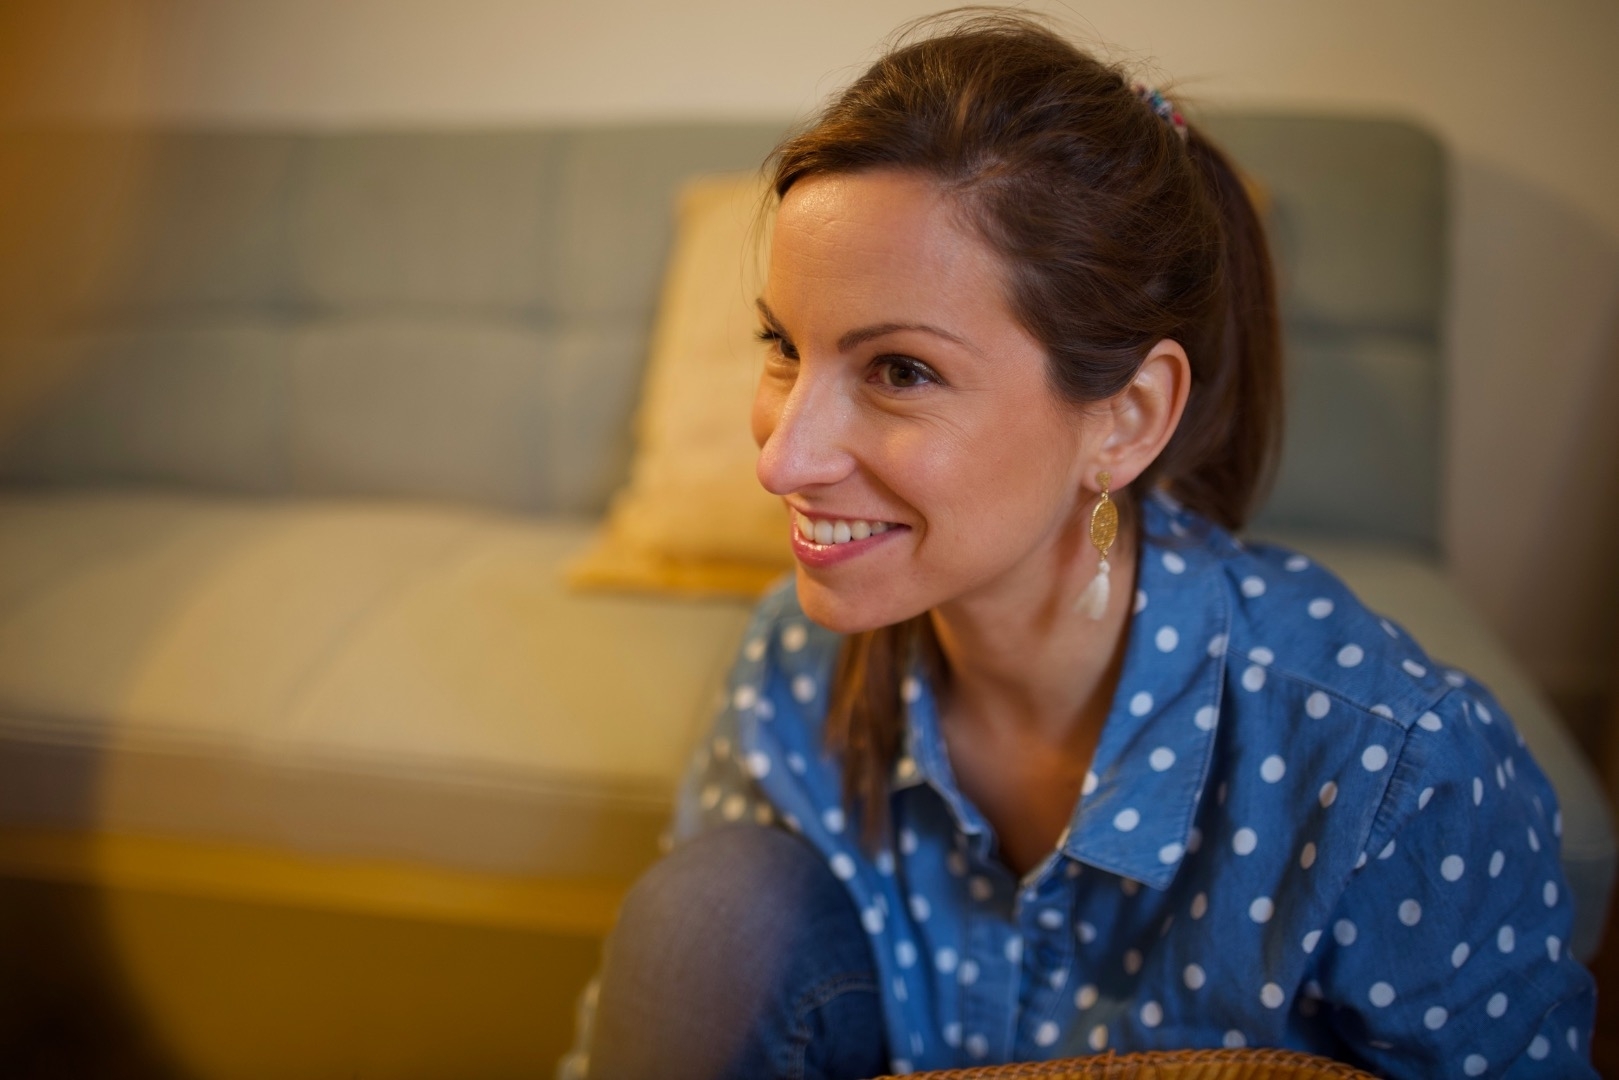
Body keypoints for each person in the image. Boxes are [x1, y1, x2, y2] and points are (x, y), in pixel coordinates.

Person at [563, 12, 1596, 1079]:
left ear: (1126, 420)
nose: (781, 459)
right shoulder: (794, 661)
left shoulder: (1394, 773)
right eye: (782, 345)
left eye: (899, 371)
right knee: (709, 916)